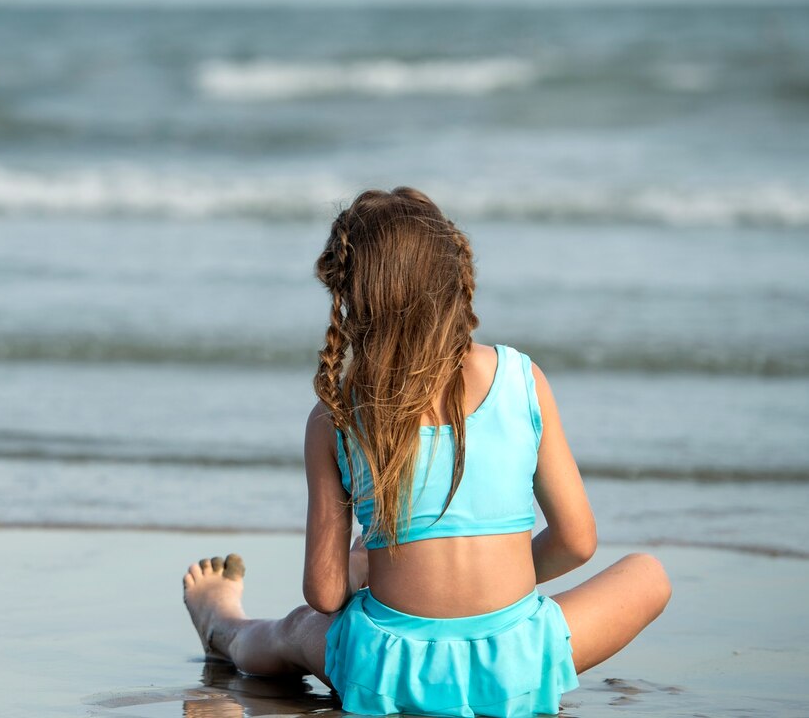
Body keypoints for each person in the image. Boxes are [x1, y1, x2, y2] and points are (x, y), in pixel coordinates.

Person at [181, 187, 670, 717]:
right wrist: (496, 576)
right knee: (648, 573)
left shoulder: (334, 417)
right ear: (453, 275)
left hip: (386, 674)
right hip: (516, 672)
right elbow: (577, 541)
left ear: (351, 299)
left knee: (296, 628)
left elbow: (324, 594)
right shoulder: (520, 378)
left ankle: (223, 626)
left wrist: (370, 567)